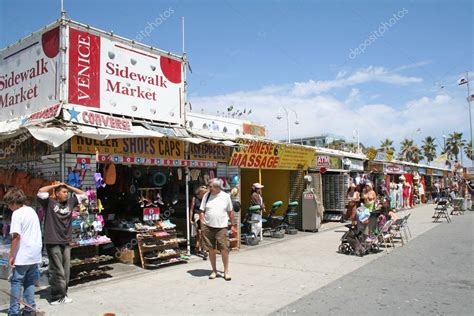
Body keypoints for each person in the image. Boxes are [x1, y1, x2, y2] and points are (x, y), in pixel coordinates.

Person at [37, 182, 86, 305]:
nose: (66, 194)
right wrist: (54, 186)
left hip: (66, 240)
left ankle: (63, 294)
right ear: (57, 193)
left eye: (67, 192)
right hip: (53, 240)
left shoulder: (70, 202)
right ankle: (56, 297)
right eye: (63, 192)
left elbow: (83, 194)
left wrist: (67, 186)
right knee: (56, 269)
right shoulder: (49, 203)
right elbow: (41, 191)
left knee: (65, 270)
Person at [4, 188, 42, 316]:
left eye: (9, 204)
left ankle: (13, 311)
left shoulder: (17, 214)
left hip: (23, 253)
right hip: (35, 252)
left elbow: (16, 236)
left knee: (16, 282)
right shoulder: (31, 211)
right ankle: (29, 309)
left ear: (14, 202)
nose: (9, 208)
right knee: (30, 282)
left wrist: (11, 255)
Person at [200, 178, 236, 281]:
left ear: (217, 187)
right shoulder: (207, 196)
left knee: (224, 249)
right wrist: (202, 223)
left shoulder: (225, 196)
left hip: (221, 227)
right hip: (208, 226)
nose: (209, 188)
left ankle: (226, 271)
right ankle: (214, 270)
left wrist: (233, 225)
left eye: (210, 186)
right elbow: (202, 210)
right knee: (211, 249)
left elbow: (231, 211)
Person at [189, 186, 208, 258]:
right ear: (200, 193)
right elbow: (191, 209)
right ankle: (202, 249)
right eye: (204, 193)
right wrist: (190, 219)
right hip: (197, 215)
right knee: (200, 232)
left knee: (200, 233)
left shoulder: (205, 199)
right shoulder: (195, 198)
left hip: (204, 215)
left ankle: (198, 247)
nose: (205, 194)